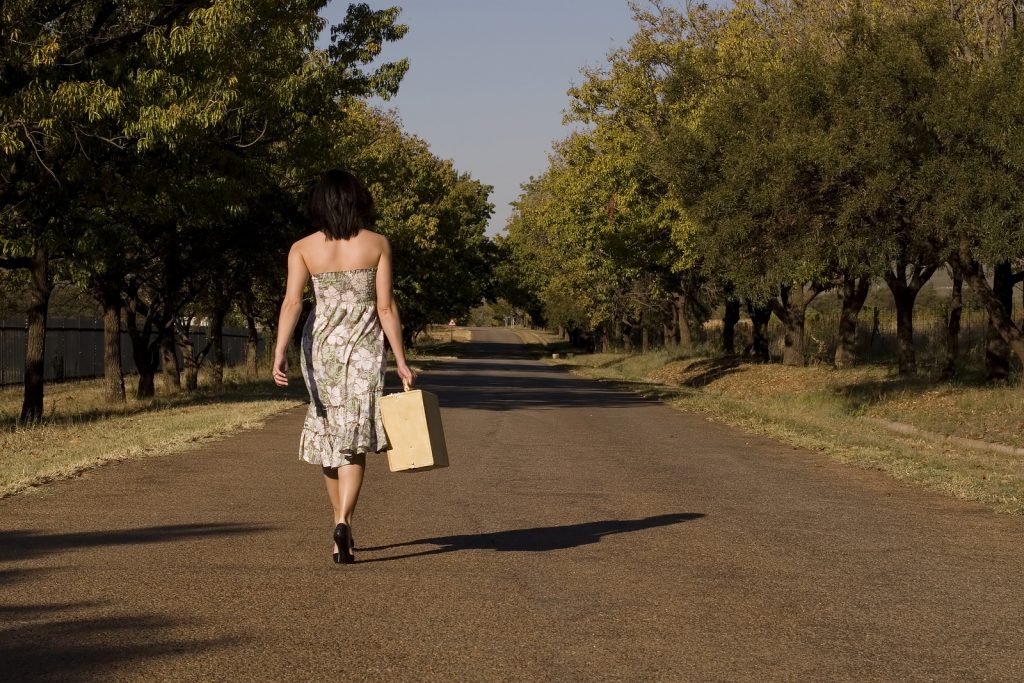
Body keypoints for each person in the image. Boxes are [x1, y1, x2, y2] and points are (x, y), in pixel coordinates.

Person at [272, 169, 414, 564]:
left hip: (320, 350)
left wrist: (279, 350)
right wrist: (401, 360)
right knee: (355, 438)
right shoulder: (377, 244)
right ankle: (343, 522)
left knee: (329, 436)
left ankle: (339, 523)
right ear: (357, 201)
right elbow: (385, 307)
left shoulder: (302, 247)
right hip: (365, 350)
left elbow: (292, 303)